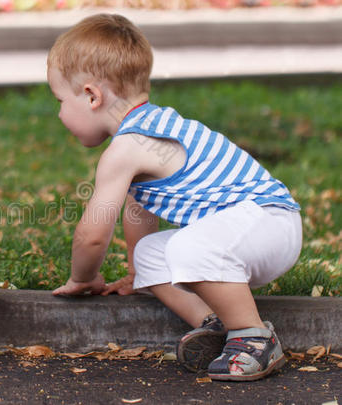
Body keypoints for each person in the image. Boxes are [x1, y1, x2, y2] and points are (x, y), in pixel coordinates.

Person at [48, 14, 302, 382]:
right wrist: (137, 271)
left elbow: (92, 235)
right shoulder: (151, 129)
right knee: (154, 254)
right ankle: (215, 326)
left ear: (91, 95)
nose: (58, 113)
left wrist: (82, 278)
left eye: (59, 100)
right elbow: (140, 211)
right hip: (253, 230)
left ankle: (254, 337)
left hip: (268, 223)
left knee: (188, 248)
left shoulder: (127, 148)